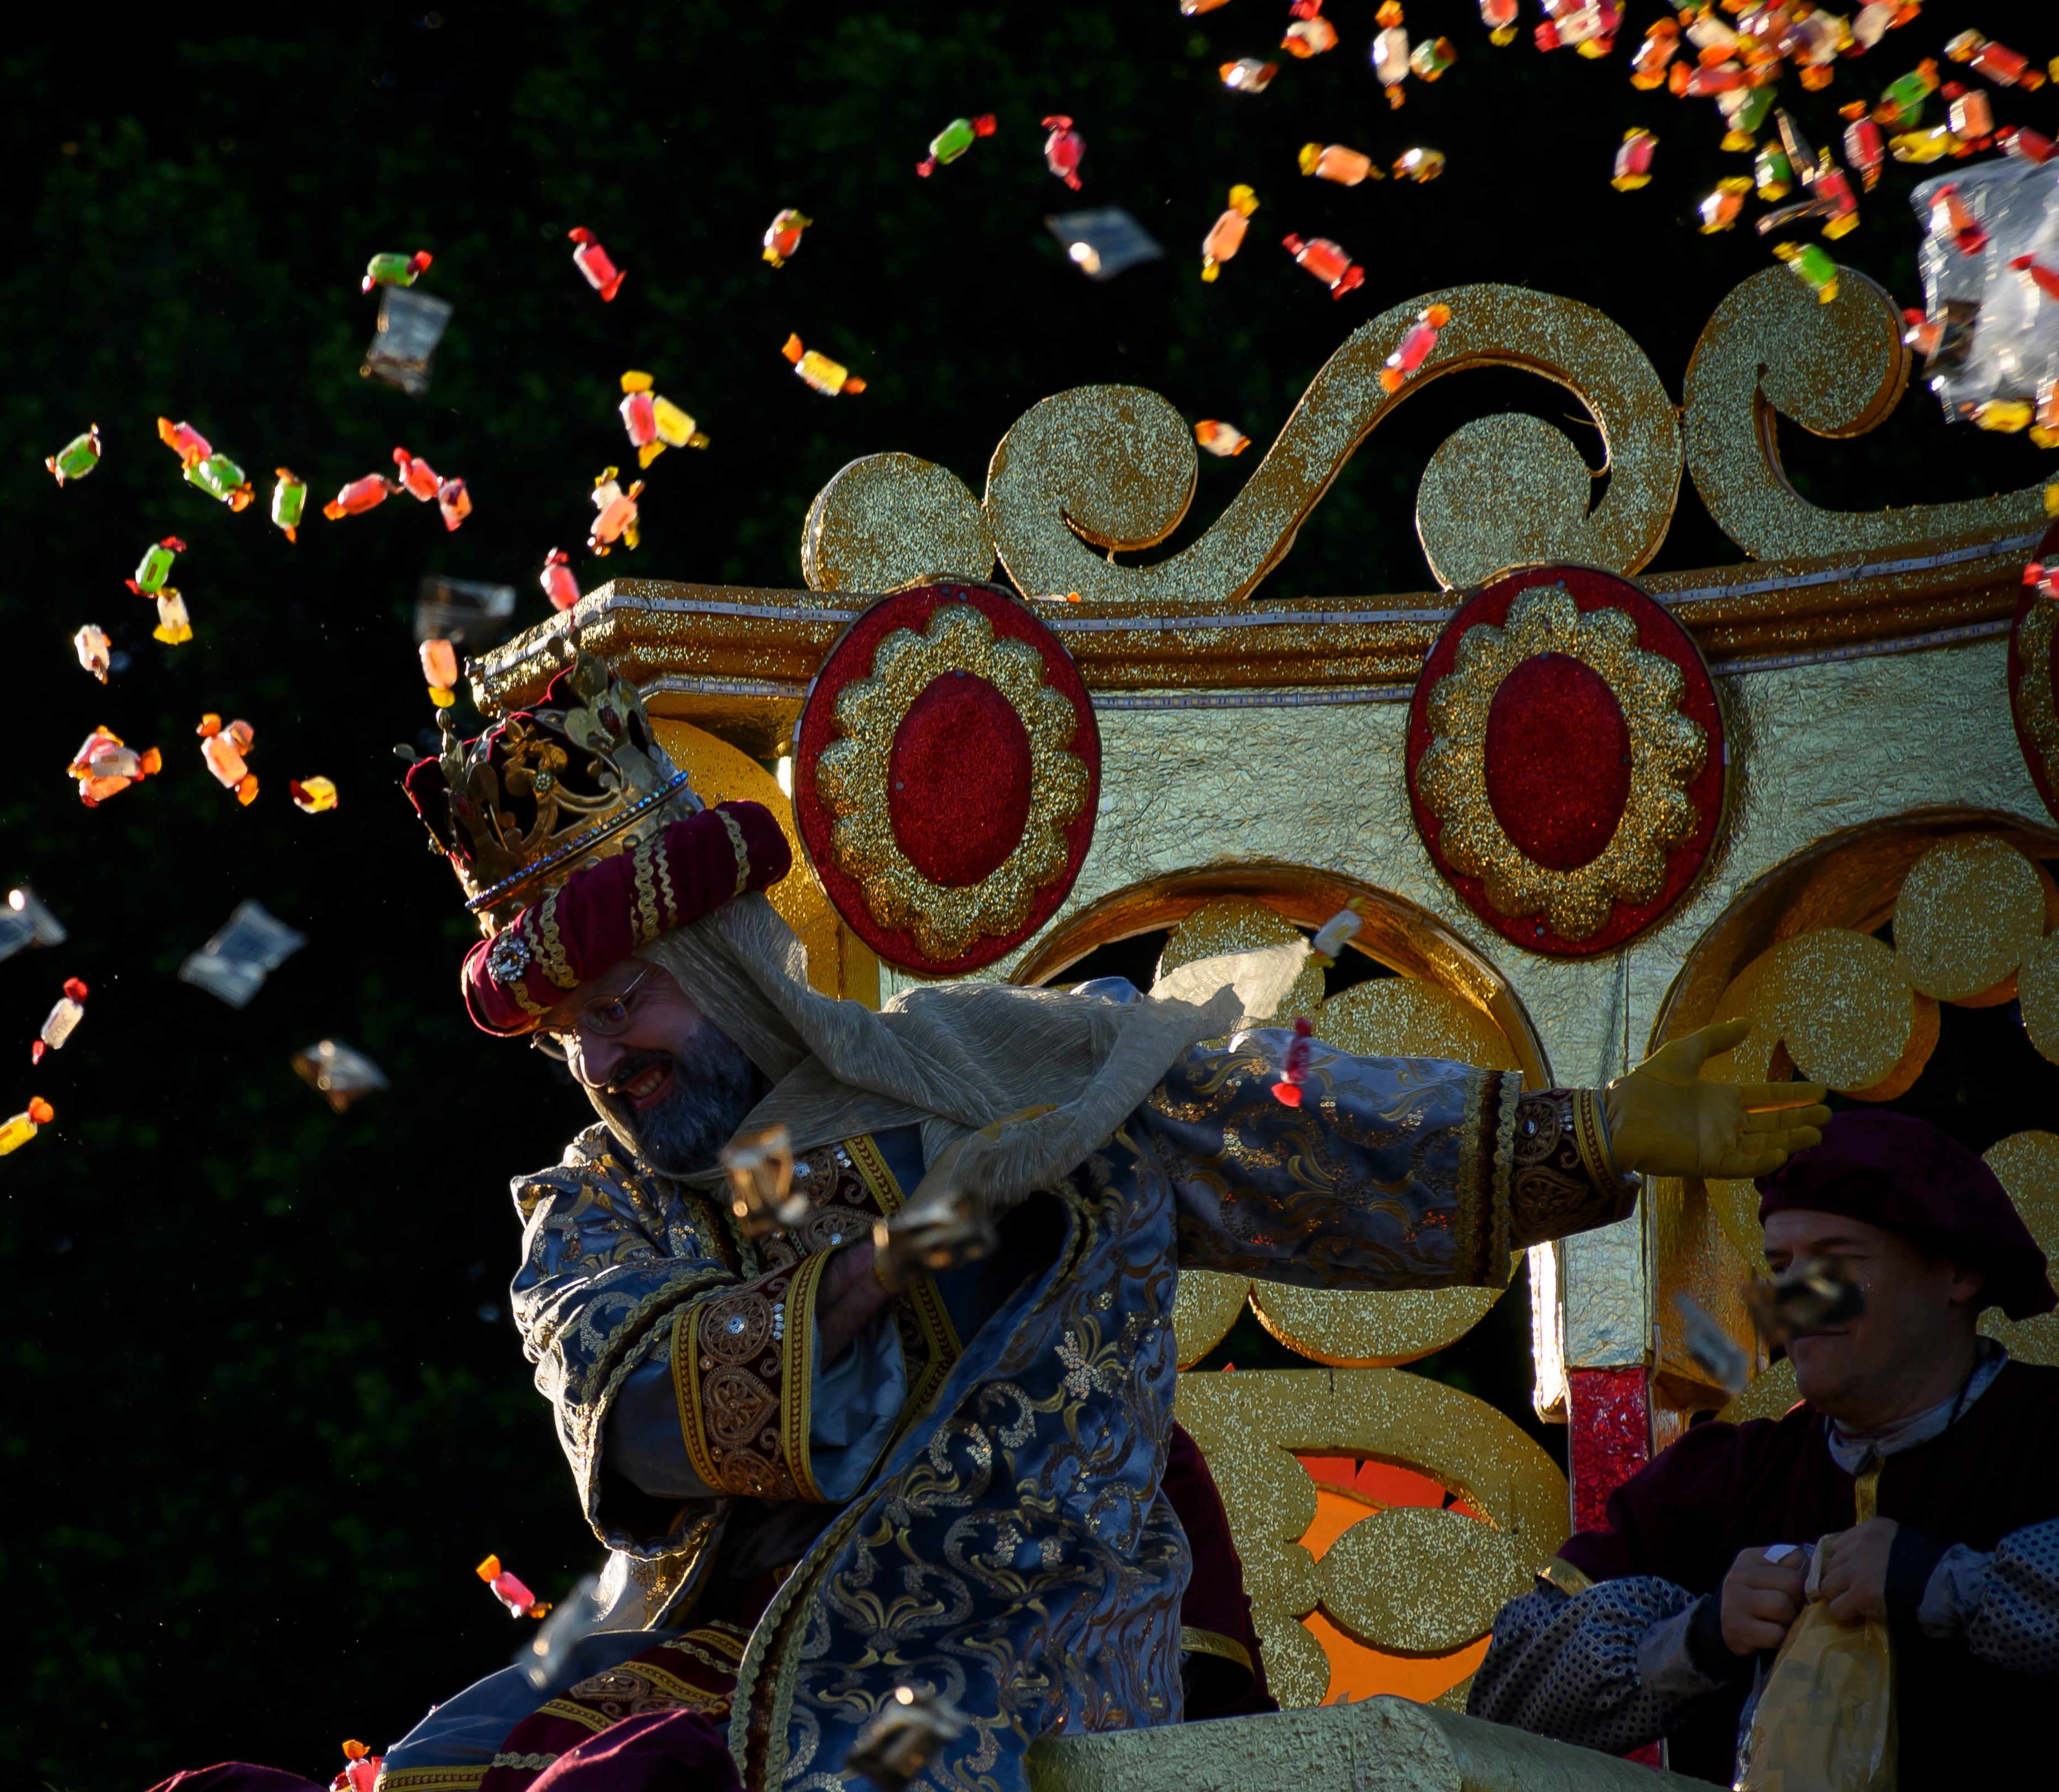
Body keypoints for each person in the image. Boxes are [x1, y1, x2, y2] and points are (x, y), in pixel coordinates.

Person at [373, 654, 1827, 1792]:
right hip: (737, 1637)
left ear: (730, 963)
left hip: (1013, 1648)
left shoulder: (1000, 1072)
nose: (600, 1055)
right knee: (433, 1773)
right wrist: (912, 1251)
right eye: (564, 1027)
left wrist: (1597, 1135)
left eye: (624, 997)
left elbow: (1288, 1138)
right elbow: (630, 1396)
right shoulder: (606, 1196)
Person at [1468, 1109, 2059, 1783]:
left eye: (1835, 1264)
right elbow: (1504, 1702)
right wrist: (1696, 1637)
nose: (1798, 1303)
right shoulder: (1714, 1479)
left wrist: (1946, 1585)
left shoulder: (2045, 1436)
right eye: (1782, 1267)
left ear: (1956, 1274)